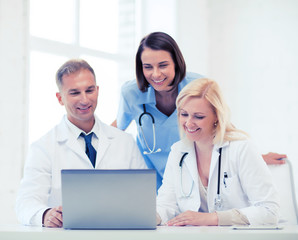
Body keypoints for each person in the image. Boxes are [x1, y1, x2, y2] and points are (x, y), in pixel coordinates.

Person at [113, 31, 286, 191]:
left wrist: (254, 157)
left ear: (176, 62)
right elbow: (116, 131)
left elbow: (222, 126)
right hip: (150, 177)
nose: (156, 74)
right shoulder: (131, 93)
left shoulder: (198, 86)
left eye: (163, 65)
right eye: (148, 67)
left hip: (193, 173)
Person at [15, 59, 147, 228]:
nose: (84, 100)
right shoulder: (43, 147)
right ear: (60, 98)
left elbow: (144, 197)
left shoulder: (124, 142)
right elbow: (26, 201)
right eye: (74, 93)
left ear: (97, 91)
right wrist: (45, 214)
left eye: (89, 90)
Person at [156, 78, 280, 226]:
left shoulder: (241, 148)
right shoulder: (178, 151)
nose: (188, 123)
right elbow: (166, 204)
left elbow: (269, 210)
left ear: (216, 116)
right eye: (184, 114)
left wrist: (212, 218)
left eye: (198, 116)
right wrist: (152, 217)